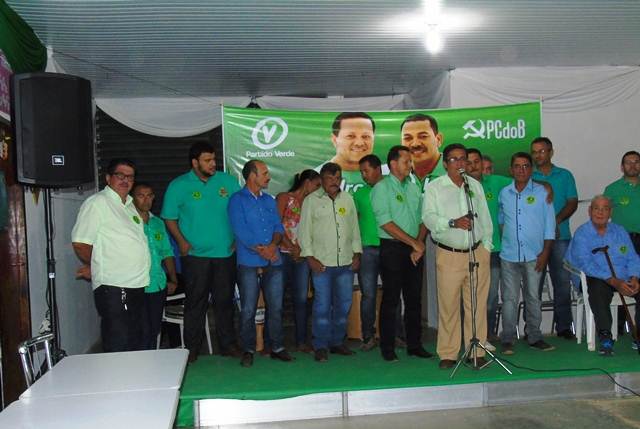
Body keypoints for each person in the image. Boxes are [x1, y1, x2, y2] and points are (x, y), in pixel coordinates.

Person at [161, 142, 240, 363]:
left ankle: (228, 345)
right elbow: (169, 218)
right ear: (195, 163)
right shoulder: (178, 185)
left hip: (224, 254)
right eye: (207, 160)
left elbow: (240, 210)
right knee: (196, 303)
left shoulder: (227, 181)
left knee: (225, 302)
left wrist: (237, 238)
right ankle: (192, 348)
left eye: (214, 159)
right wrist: (181, 242)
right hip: (195, 257)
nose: (213, 163)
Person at [423, 144, 492, 369]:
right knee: (449, 305)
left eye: (463, 159)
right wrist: (452, 223)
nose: (460, 163)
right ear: (445, 163)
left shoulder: (474, 185)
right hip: (449, 254)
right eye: (454, 159)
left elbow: (485, 218)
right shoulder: (435, 187)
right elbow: (428, 218)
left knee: (477, 305)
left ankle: (476, 351)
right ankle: (448, 353)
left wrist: (486, 247)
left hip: (477, 253)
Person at [71, 158, 150, 352]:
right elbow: (80, 243)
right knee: (119, 341)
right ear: (108, 178)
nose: (125, 180)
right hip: (114, 285)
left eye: (130, 177)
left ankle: (131, 373)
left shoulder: (130, 205)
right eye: (120, 175)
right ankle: (116, 373)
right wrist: (97, 265)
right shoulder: (98, 203)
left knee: (135, 338)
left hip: (136, 284)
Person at [228, 160, 293, 367]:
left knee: (276, 307)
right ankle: (248, 349)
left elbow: (278, 227)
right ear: (252, 176)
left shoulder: (269, 200)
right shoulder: (237, 200)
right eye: (264, 173)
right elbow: (241, 230)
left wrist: (272, 246)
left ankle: (277, 347)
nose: (268, 177)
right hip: (248, 262)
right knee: (248, 308)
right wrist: (262, 251)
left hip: (273, 260)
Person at [372, 145, 431, 362]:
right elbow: (386, 223)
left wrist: (419, 244)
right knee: (391, 299)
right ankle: (387, 347)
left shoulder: (414, 187)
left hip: (414, 249)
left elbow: (423, 219)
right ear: (393, 164)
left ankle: (414, 344)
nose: (410, 165)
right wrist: (414, 243)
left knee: (414, 299)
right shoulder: (381, 188)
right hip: (392, 249)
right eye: (406, 161)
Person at [298, 162, 362, 362]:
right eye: (330, 178)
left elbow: (354, 228)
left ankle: (337, 342)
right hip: (322, 264)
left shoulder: (348, 199)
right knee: (322, 306)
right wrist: (310, 258)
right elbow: (304, 232)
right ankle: (320, 345)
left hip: (346, 263)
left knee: (344, 304)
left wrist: (357, 254)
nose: (335, 182)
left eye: (338, 178)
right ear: (322, 179)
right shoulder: (311, 201)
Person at [565, 195, 640, 355]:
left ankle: (638, 336)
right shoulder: (582, 234)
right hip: (597, 278)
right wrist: (614, 281)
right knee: (597, 286)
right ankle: (605, 336)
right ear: (589, 211)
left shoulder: (620, 231)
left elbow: (633, 257)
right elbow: (586, 265)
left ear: (610, 212)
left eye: (605, 209)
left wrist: (634, 277)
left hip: (623, 278)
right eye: (596, 208)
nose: (600, 212)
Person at [499, 152, 556, 355]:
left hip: (535, 255)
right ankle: (507, 338)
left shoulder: (543, 192)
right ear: (511, 170)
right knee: (509, 299)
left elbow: (550, 225)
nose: (521, 170)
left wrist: (546, 252)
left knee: (533, 297)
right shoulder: (504, 193)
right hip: (509, 255)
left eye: (525, 166)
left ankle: (535, 337)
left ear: (531, 169)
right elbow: (501, 221)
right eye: (517, 166)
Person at [531, 136, 578, 340]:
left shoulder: (564, 175)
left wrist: (555, 221)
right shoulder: (527, 175)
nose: (538, 155)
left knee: (562, 283)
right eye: (534, 152)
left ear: (551, 152)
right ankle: (532, 328)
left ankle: (564, 327)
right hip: (535, 239)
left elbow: (572, 202)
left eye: (542, 151)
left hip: (560, 236)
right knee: (534, 285)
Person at [466, 148, 511, 347]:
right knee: (469, 298)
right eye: (469, 162)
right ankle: (469, 337)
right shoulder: (459, 187)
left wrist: (547, 186)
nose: (473, 166)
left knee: (490, 296)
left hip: (493, 250)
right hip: (467, 250)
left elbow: (523, 181)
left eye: (476, 162)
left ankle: (488, 334)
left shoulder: (495, 182)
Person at [275, 169, 321, 353]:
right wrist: (291, 246)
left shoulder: (312, 203)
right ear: (307, 182)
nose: (318, 189)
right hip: (281, 253)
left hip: (302, 256)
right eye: (317, 185)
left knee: (301, 300)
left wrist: (303, 251)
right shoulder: (284, 198)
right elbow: (277, 225)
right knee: (276, 299)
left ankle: (301, 341)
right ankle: (274, 343)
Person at [131, 182, 178, 350]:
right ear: (132, 198)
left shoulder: (158, 222)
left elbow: (167, 252)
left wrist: (173, 279)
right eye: (141, 195)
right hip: (136, 285)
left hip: (158, 284)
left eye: (149, 196)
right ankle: (139, 362)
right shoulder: (127, 221)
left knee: (154, 329)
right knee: (141, 330)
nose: (146, 200)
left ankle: (150, 360)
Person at [353, 154, 384, 351]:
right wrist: (355, 250)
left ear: (378, 169)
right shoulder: (359, 194)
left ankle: (395, 334)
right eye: (361, 172)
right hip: (366, 250)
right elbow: (354, 222)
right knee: (369, 295)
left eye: (366, 171)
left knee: (392, 293)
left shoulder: (390, 189)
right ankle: (368, 336)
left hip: (390, 247)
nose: (364, 175)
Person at [317, 112, 378, 193]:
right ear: (334, 140)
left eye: (365, 136)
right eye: (350, 136)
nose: (359, 143)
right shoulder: (317, 177)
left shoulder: (385, 175)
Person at [604, 151, 640, 254]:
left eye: (636, 162)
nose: (632, 166)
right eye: (628, 163)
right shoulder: (612, 189)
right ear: (622, 167)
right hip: (622, 240)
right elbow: (602, 215)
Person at [400, 113, 446, 191]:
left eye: (423, 136)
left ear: (438, 140)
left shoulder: (458, 173)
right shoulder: (390, 175)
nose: (415, 144)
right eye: (408, 138)